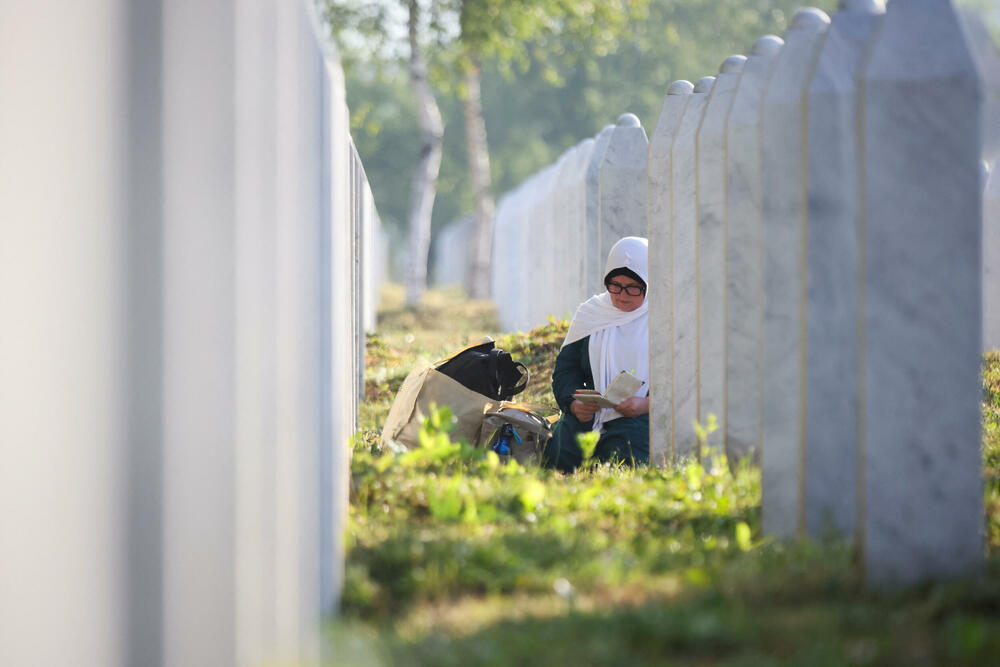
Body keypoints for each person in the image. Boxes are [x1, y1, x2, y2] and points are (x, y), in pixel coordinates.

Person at [543, 236, 650, 471]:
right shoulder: (591, 314)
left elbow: (681, 381)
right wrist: (574, 404)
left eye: (633, 288)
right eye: (615, 285)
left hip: (638, 417)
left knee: (623, 457)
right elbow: (566, 370)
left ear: (648, 283)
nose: (622, 295)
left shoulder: (662, 320)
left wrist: (645, 405)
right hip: (589, 415)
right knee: (559, 454)